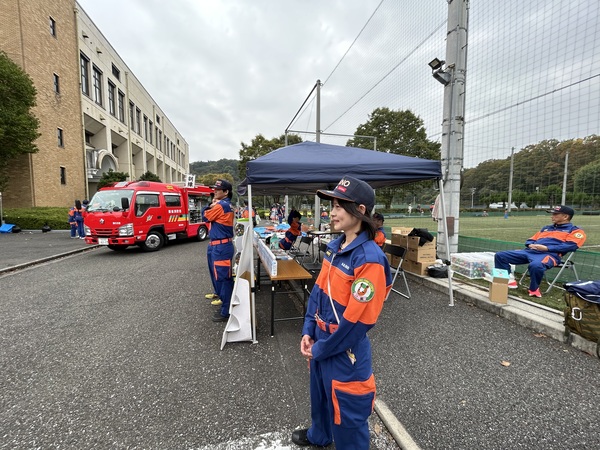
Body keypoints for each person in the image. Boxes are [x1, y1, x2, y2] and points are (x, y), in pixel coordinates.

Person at [292, 175, 392, 449]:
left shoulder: (369, 259)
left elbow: (359, 321)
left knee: (347, 414)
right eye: (332, 205)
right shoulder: (336, 248)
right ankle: (319, 436)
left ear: (360, 211)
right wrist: (308, 331)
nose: (332, 212)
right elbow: (319, 293)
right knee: (321, 398)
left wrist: (323, 348)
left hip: (343, 350)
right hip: (322, 341)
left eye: (339, 206)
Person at [494, 205, 586, 298]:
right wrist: (530, 244)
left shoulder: (575, 231)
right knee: (500, 255)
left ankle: (534, 289)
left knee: (536, 265)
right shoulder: (546, 228)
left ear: (565, 217)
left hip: (550, 255)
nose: (552, 216)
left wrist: (547, 248)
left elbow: (571, 246)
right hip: (530, 251)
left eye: (555, 214)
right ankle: (505, 281)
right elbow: (531, 239)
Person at [202, 179, 235, 322]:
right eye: (214, 189)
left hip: (221, 246)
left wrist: (209, 206)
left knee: (224, 278)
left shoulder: (222, 205)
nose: (214, 191)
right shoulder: (222, 205)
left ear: (226, 192)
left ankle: (227, 311)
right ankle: (224, 301)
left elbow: (205, 215)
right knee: (218, 276)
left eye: (218, 189)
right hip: (217, 245)